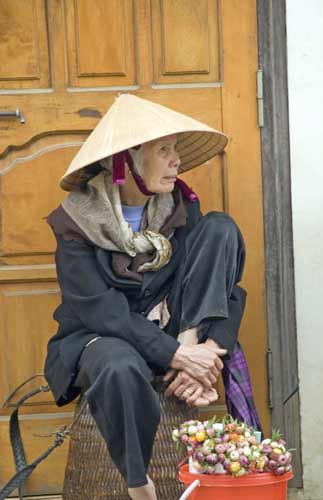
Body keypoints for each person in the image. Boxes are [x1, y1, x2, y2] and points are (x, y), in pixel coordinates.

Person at [44, 94, 261, 500]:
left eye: (175, 149)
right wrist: (177, 358)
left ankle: (191, 339)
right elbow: (100, 311)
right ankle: (139, 483)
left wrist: (204, 350)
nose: (176, 160)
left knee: (221, 228)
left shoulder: (180, 207)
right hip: (103, 336)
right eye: (164, 150)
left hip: (174, 332)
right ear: (126, 161)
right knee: (118, 366)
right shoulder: (75, 222)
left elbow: (224, 290)